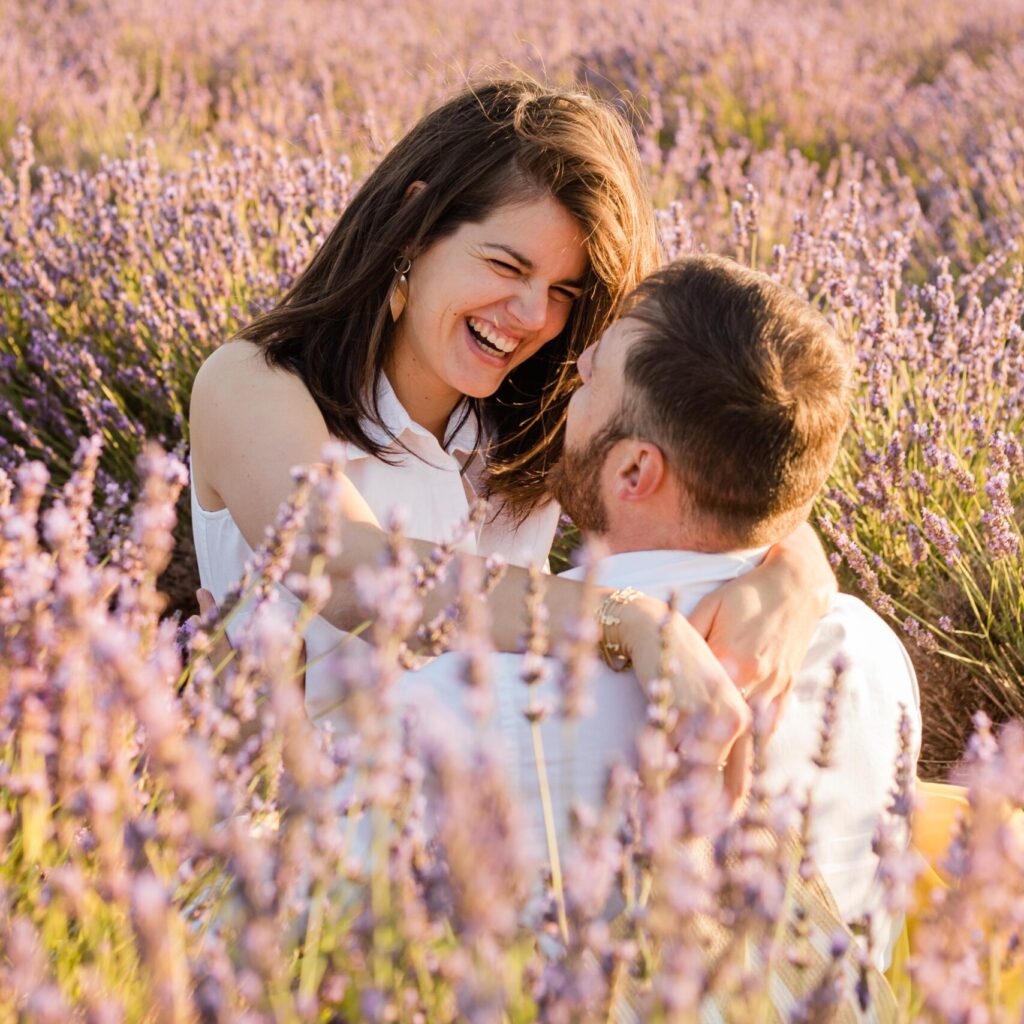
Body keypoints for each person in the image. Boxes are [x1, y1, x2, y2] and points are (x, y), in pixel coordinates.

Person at [188, 78, 836, 794]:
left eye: (565, 291)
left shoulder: (543, 412)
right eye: (507, 265)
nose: (531, 315)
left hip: (474, 841)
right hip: (278, 847)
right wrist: (623, 620)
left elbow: (725, 469)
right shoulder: (252, 385)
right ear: (414, 223)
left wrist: (794, 579)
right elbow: (343, 571)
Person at [405, 255, 921, 970]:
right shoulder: (871, 654)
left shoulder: (460, 706)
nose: (575, 360)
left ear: (634, 473)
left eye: (593, 376)